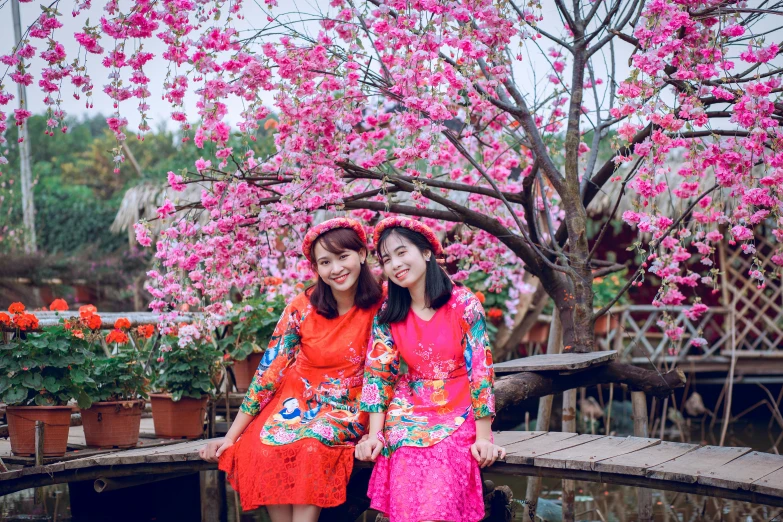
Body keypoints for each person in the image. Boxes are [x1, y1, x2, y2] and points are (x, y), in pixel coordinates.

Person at [200, 217, 383, 522]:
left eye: (343, 257)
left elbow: (380, 373)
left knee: (312, 445)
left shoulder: (382, 305)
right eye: (325, 262)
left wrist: (374, 433)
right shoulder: (302, 306)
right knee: (263, 448)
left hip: (349, 402)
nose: (335, 269)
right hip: (296, 399)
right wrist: (231, 437)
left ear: (362, 254)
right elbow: (269, 371)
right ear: (316, 269)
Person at [355, 216, 506, 522]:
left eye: (401, 252)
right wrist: (374, 435)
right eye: (386, 259)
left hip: (461, 403)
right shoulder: (389, 312)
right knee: (404, 449)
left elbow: (480, 370)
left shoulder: (464, 304)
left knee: (446, 455)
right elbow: (377, 375)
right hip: (410, 406)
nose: (395, 264)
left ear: (426, 252)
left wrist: (484, 438)